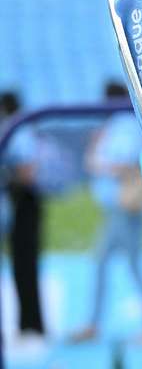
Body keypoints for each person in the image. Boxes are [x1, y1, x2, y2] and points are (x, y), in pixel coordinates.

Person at [69, 83, 142, 344]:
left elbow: (125, 163)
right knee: (112, 263)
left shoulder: (124, 125)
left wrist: (99, 162)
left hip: (124, 208)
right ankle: (95, 323)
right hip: (117, 208)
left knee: (127, 264)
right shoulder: (120, 125)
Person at [0, 92, 46, 344]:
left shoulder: (19, 131)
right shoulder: (20, 130)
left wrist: (9, 177)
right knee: (21, 267)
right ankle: (27, 324)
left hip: (24, 202)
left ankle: (31, 325)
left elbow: (28, 173)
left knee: (25, 266)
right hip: (20, 201)